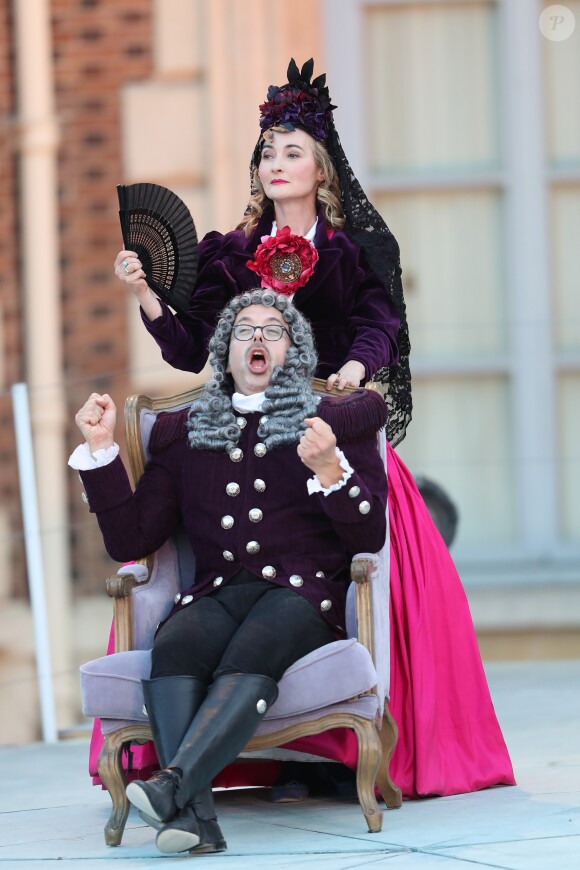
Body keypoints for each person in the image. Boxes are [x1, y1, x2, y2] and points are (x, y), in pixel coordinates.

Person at [109, 59, 515, 800]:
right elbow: (192, 345)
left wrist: (356, 372)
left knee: (367, 578)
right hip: (246, 443)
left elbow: (379, 324)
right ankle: (232, 760)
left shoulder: (355, 251)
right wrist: (148, 295)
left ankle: (358, 752)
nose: (275, 163)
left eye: (291, 151)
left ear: (321, 170)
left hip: (331, 436)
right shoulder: (229, 252)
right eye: (267, 152)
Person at [71, 289, 390, 855]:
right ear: (225, 351)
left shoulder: (332, 422)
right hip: (217, 592)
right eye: (243, 330)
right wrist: (102, 453)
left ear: (293, 351)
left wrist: (330, 469)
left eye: (274, 329)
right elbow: (132, 539)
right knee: (174, 647)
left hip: (299, 594)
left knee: (252, 648)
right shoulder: (186, 435)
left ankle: (173, 784)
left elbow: (367, 539)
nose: (258, 338)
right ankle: (197, 821)